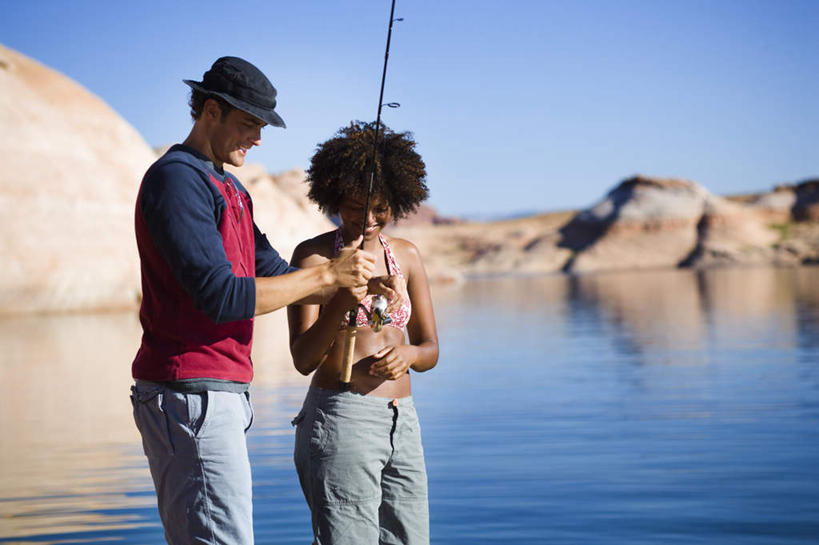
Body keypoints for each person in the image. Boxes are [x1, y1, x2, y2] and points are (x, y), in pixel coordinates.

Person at [130, 57, 377, 545]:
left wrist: (355, 284)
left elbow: (279, 276)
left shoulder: (230, 188)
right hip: (190, 393)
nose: (259, 138)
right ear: (211, 111)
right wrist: (327, 273)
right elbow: (221, 296)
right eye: (249, 123)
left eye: (262, 126)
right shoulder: (178, 180)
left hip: (219, 394)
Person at [288, 121, 440, 545]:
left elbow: (430, 349)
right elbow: (303, 359)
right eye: (356, 207)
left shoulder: (407, 256)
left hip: (402, 421)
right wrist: (343, 298)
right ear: (335, 198)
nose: (369, 219)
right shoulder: (313, 257)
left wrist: (410, 356)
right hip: (342, 419)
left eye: (380, 208)